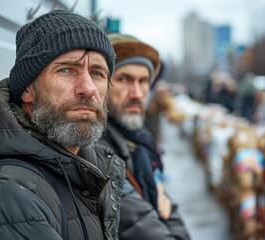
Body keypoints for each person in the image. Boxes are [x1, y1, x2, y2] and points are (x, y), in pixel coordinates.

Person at [0, 10, 125, 240]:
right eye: (66, 69)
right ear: (28, 89)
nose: (88, 88)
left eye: (97, 73)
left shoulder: (89, 168)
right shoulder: (5, 193)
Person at [79, 33, 190, 239]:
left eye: (144, 81)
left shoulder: (138, 139)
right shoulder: (94, 147)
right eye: (124, 79)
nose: (137, 93)